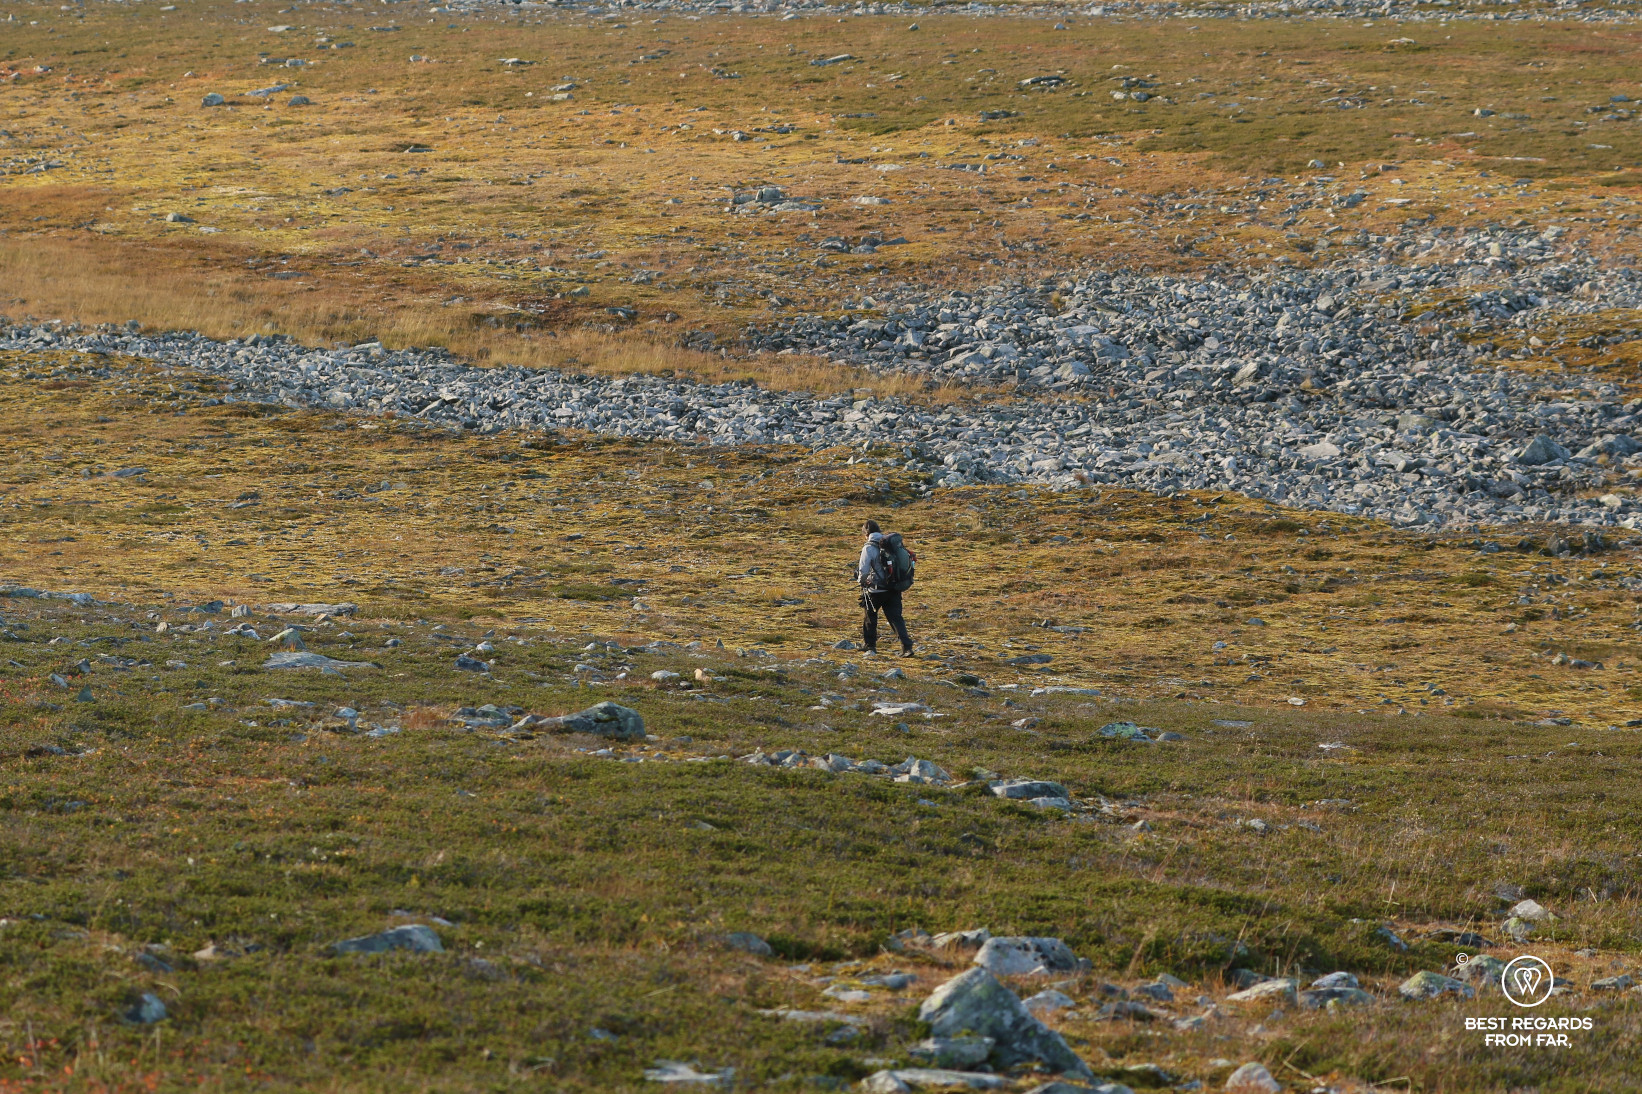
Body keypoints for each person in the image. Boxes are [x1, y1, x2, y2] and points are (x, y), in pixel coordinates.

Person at [856, 519, 913, 656]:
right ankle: (907, 647)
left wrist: (861, 581)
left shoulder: (868, 548)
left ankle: (870, 645)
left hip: (875, 590)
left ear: (866, 534)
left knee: (870, 617)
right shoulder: (891, 544)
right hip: (893, 588)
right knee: (896, 619)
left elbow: (863, 571)